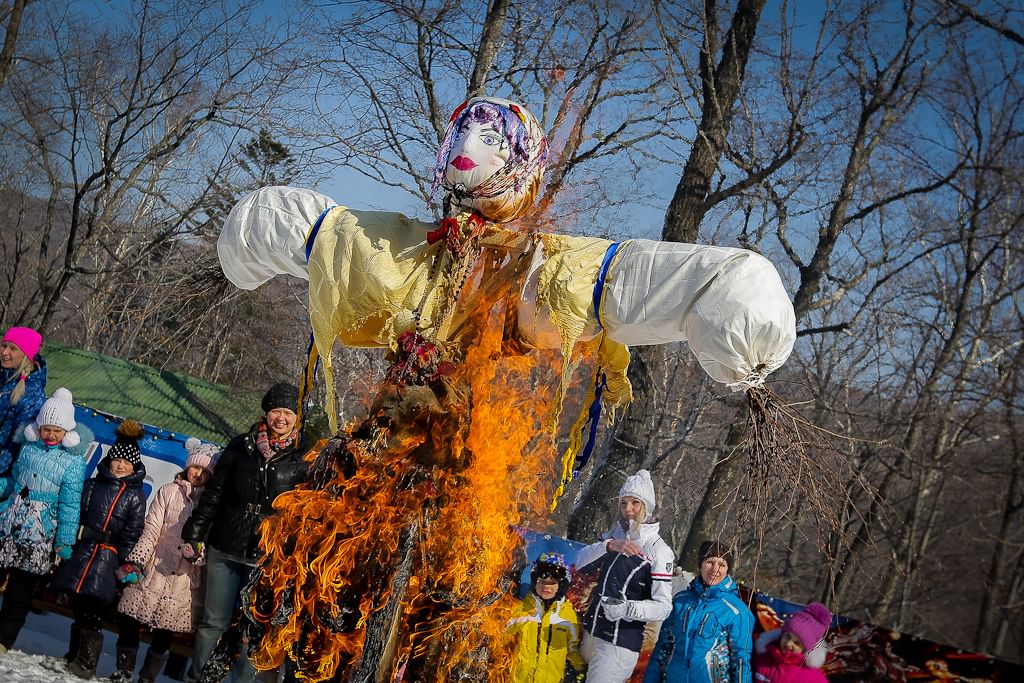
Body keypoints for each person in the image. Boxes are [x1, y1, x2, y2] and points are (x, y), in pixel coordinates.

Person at [181, 382, 309, 683]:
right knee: (214, 621)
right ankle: (200, 678)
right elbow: (215, 493)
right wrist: (196, 531)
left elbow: (305, 509)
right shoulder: (241, 446)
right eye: (276, 410)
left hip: (266, 556)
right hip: (226, 546)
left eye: (288, 412)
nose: (282, 418)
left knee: (253, 629)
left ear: (296, 417)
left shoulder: (303, 456)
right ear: (266, 412)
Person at [111, 438, 219, 683]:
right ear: (187, 466)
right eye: (195, 468)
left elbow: (210, 543)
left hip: (183, 576)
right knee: (131, 615)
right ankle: (123, 670)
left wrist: (198, 554)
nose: (198, 475)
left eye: (205, 471)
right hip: (155, 564)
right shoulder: (169, 492)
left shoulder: (211, 504)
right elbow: (151, 529)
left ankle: (148, 677)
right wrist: (138, 560)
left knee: (165, 629)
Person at [55, 419, 147, 679]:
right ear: (110, 459)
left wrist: (127, 564)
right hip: (84, 551)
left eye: (126, 463)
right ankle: (74, 654)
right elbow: (79, 515)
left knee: (94, 608)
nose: (120, 465)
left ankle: (87, 663)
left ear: (133, 467)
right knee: (79, 604)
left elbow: (132, 533)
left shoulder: (134, 496)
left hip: (108, 556)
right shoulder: (93, 484)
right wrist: (69, 542)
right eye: (117, 460)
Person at [0, 387, 88, 652]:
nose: (50, 435)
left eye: (56, 431)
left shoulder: (73, 464)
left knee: (20, 589)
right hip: (9, 524)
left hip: (40, 532)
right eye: (46, 429)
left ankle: (4, 638)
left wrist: (64, 540)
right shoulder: (28, 450)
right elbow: (13, 482)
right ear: (37, 427)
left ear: (67, 433)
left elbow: (70, 505)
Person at [573, 469, 674, 683]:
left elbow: (664, 607)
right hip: (590, 634)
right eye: (623, 503)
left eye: (635, 503)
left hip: (619, 646)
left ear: (646, 507)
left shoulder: (658, 550)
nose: (628, 509)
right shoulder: (614, 534)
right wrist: (609, 546)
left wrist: (627, 608)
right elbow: (579, 563)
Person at [642, 541, 754, 683]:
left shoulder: (736, 611)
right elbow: (663, 647)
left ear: (727, 570)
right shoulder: (681, 601)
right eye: (710, 562)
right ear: (700, 565)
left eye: (722, 564)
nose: (715, 569)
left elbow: (740, 660)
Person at [507, 552, 586, 683]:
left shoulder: (567, 615)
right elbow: (503, 642)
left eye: (552, 583)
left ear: (561, 585)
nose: (546, 587)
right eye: (542, 581)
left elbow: (572, 649)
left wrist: (579, 669)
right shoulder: (520, 610)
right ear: (534, 581)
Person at [0, 326, 47, 475]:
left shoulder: (31, 393)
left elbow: (17, 444)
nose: (5, 352)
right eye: (3, 345)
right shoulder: (3, 378)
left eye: (13, 348)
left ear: (26, 355)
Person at [752, 602, 831, 683]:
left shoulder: (814, 679)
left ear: (806, 649)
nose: (788, 644)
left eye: (797, 643)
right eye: (787, 636)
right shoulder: (761, 658)